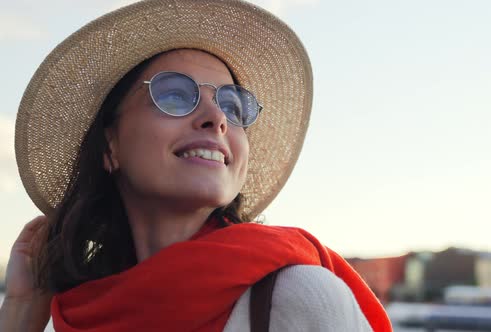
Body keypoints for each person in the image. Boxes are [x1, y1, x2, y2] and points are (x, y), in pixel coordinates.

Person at [0, 0, 393, 331]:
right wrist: (21, 310)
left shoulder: (297, 298)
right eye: (174, 95)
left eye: (233, 106)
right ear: (110, 147)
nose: (217, 118)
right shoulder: (79, 311)